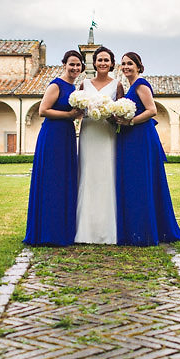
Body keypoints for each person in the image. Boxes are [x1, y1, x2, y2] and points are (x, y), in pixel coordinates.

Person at [114, 52, 180, 246]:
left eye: (130, 63)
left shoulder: (141, 85)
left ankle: (145, 230)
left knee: (143, 180)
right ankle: (136, 228)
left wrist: (130, 121)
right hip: (131, 137)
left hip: (141, 137)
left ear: (139, 66)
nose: (126, 67)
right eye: (123, 64)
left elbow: (152, 110)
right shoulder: (130, 87)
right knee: (135, 182)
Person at [24, 50, 84, 245]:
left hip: (66, 135)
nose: (75, 68)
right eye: (71, 64)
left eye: (78, 65)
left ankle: (62, 229)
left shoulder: (74, 88)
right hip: (52, 135)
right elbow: (43, 110)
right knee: (52, 180)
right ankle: (48, 232)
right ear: (64, 65)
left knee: (65, 180)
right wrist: (69, 116)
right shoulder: (56, 85)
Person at [75, 46, 123, 244]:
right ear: (94, 62)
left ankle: (107, 230)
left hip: (106, 133)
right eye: (100, 59)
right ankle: (85, 230)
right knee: (88, 175)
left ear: (112, 63)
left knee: (106, 175)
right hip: (89, 132)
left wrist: (111, 116)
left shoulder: (118, 85)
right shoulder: (84, 84)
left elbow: (121, 112)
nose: (103, 63)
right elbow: (77, 109)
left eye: (107, 60)